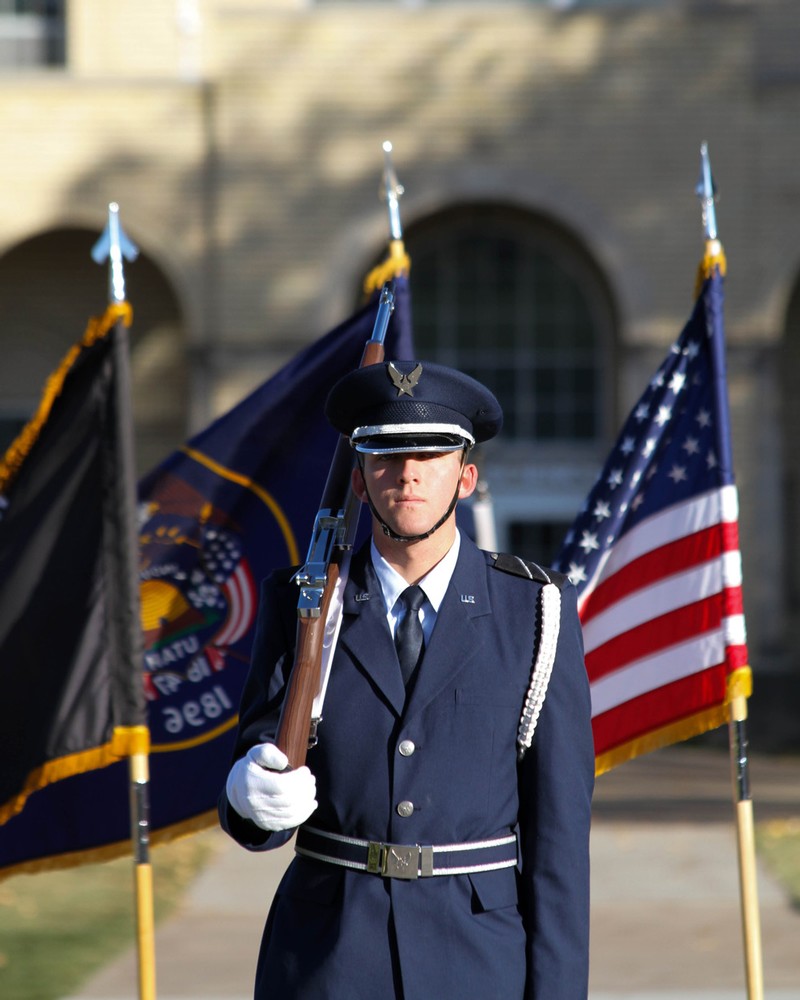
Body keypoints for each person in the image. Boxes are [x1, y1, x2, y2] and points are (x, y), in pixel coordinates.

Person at [219, 359, 594, 1000]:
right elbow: (265, 800)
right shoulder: (303, 602)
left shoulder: (535, 609)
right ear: (361, 481)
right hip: (327, 956)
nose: (408, 474)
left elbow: (559, 838)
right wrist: (251, 793)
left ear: (467, 477)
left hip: (477, 960)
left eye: (430, 455)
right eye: (386, 457)